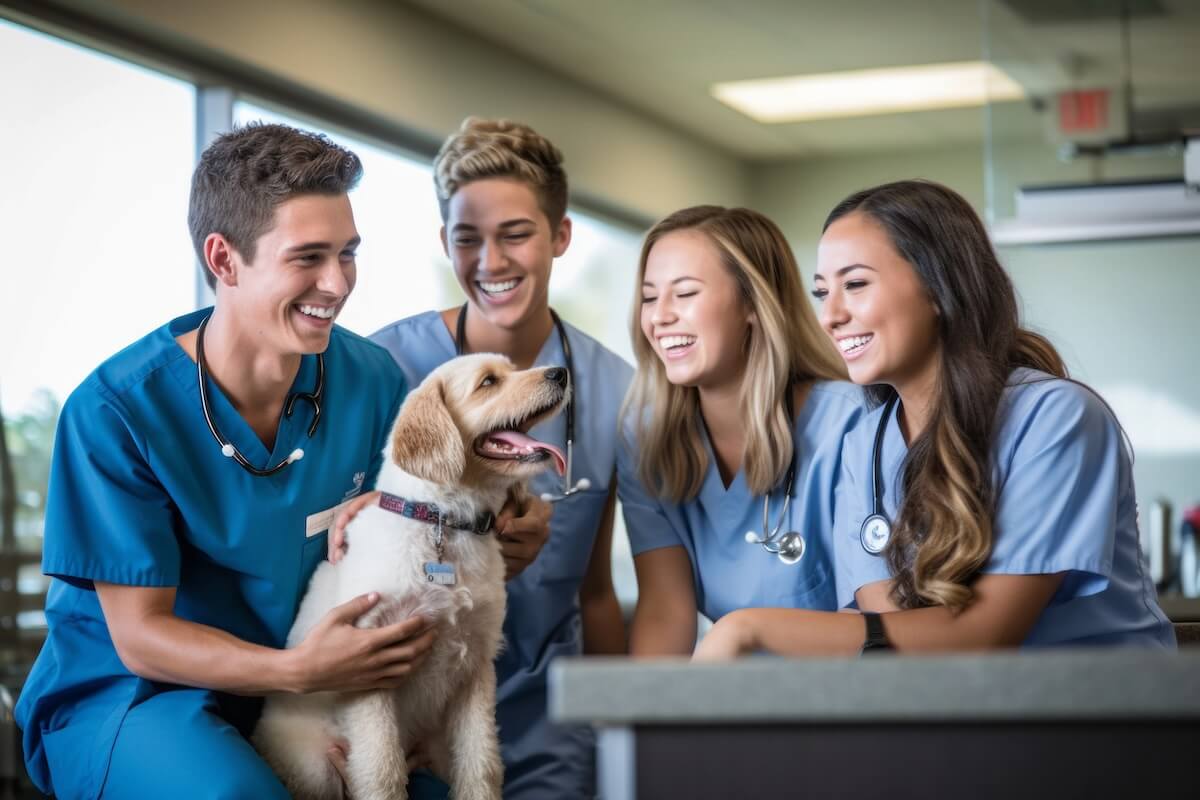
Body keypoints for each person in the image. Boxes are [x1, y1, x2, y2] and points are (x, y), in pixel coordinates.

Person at [13, 123, 442, 799]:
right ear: (224, 258)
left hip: (305, 689)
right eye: (307, 258)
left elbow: (420, 530)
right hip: (138, 696)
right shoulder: (116, 411)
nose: (336, 284)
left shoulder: (373, 381)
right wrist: (299, 670)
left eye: (348, 254)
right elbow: (142, 638)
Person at [692, 179, 1174, 659]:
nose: (830, 316)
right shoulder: (867, 441)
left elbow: (986, 633)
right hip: (968, 710)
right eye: (822, 293)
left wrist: (748, 628)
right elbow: (897, 641)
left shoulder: (1057, 419)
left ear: (941, 288)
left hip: (1102, 714)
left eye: (855, 284)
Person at [361, 117, 630, 798]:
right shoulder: (384, 367)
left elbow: (596, 592)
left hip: (546, 718)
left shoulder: (615, 390)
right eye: (467, 239)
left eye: (516, 234)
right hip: (398, 704)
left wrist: (620, 731)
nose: (492, 262)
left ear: (559, 236)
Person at [618, 205, 864, 656]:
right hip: (729, 700)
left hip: (846, 702)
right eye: (650, 297)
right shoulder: (646, 439)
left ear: (752, 302)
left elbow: (876, 626)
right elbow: (665, 611)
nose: (660, 316)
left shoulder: (850, 425)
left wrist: (743, 631)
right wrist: (651, 720)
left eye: (685, 293)